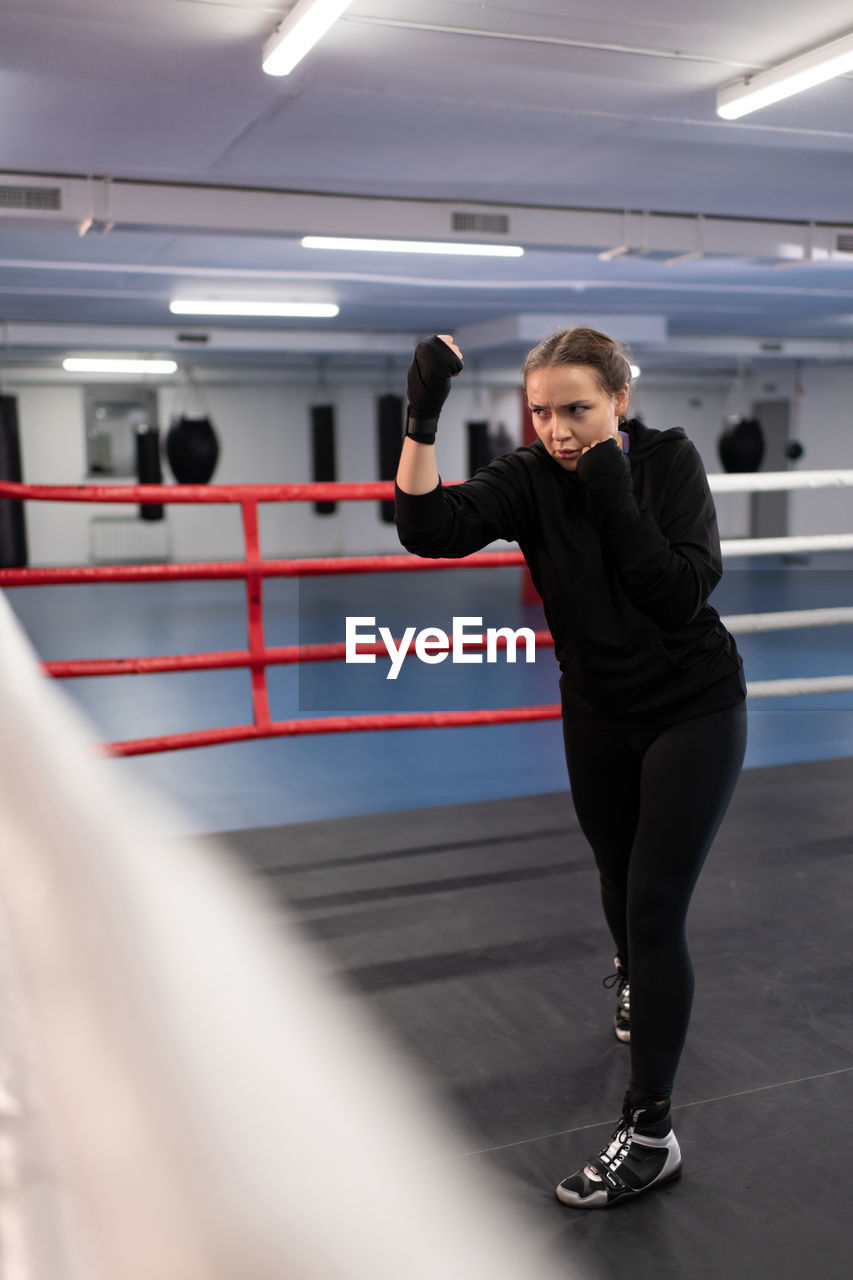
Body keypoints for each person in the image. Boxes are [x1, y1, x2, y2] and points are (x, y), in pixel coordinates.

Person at [394, 329, 747, 1209]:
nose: (556, 429)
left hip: (692, 706)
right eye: (542, 411)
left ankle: (652, 1131)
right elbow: (426, 531)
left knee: (654, 906)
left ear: (619, 401)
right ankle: (632, 974)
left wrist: (611, 488)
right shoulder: (526, 477)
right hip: (595, 707)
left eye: (576, 409)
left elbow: (676, 592)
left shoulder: (668, 463)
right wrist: (421, 416)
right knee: (613, 874)